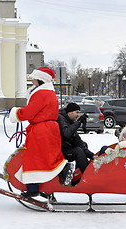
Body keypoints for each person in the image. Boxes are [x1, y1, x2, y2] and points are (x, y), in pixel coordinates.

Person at [9, 67, 67, 199]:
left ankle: (33, 188)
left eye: (35, 79)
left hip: (41, 131)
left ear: (41, 80)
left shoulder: (41, 94)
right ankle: (45, 185)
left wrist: (15, 113)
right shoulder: (49, 93)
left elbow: (29, 112)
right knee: (46, 158)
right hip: (49, 129)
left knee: (33, 159)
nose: (33, 81)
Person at [57, 102, 94, 185]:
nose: (78, 115)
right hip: (59, 151)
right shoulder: (61, 118)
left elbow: (77, 141)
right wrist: (79, 122)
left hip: (66, 147)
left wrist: (91, 155)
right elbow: (66, 134)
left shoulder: (69, 121)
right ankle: (88, 177)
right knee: (78, 151)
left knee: (83, 145)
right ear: (70, 112)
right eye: (77, 112)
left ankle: (79, 176)